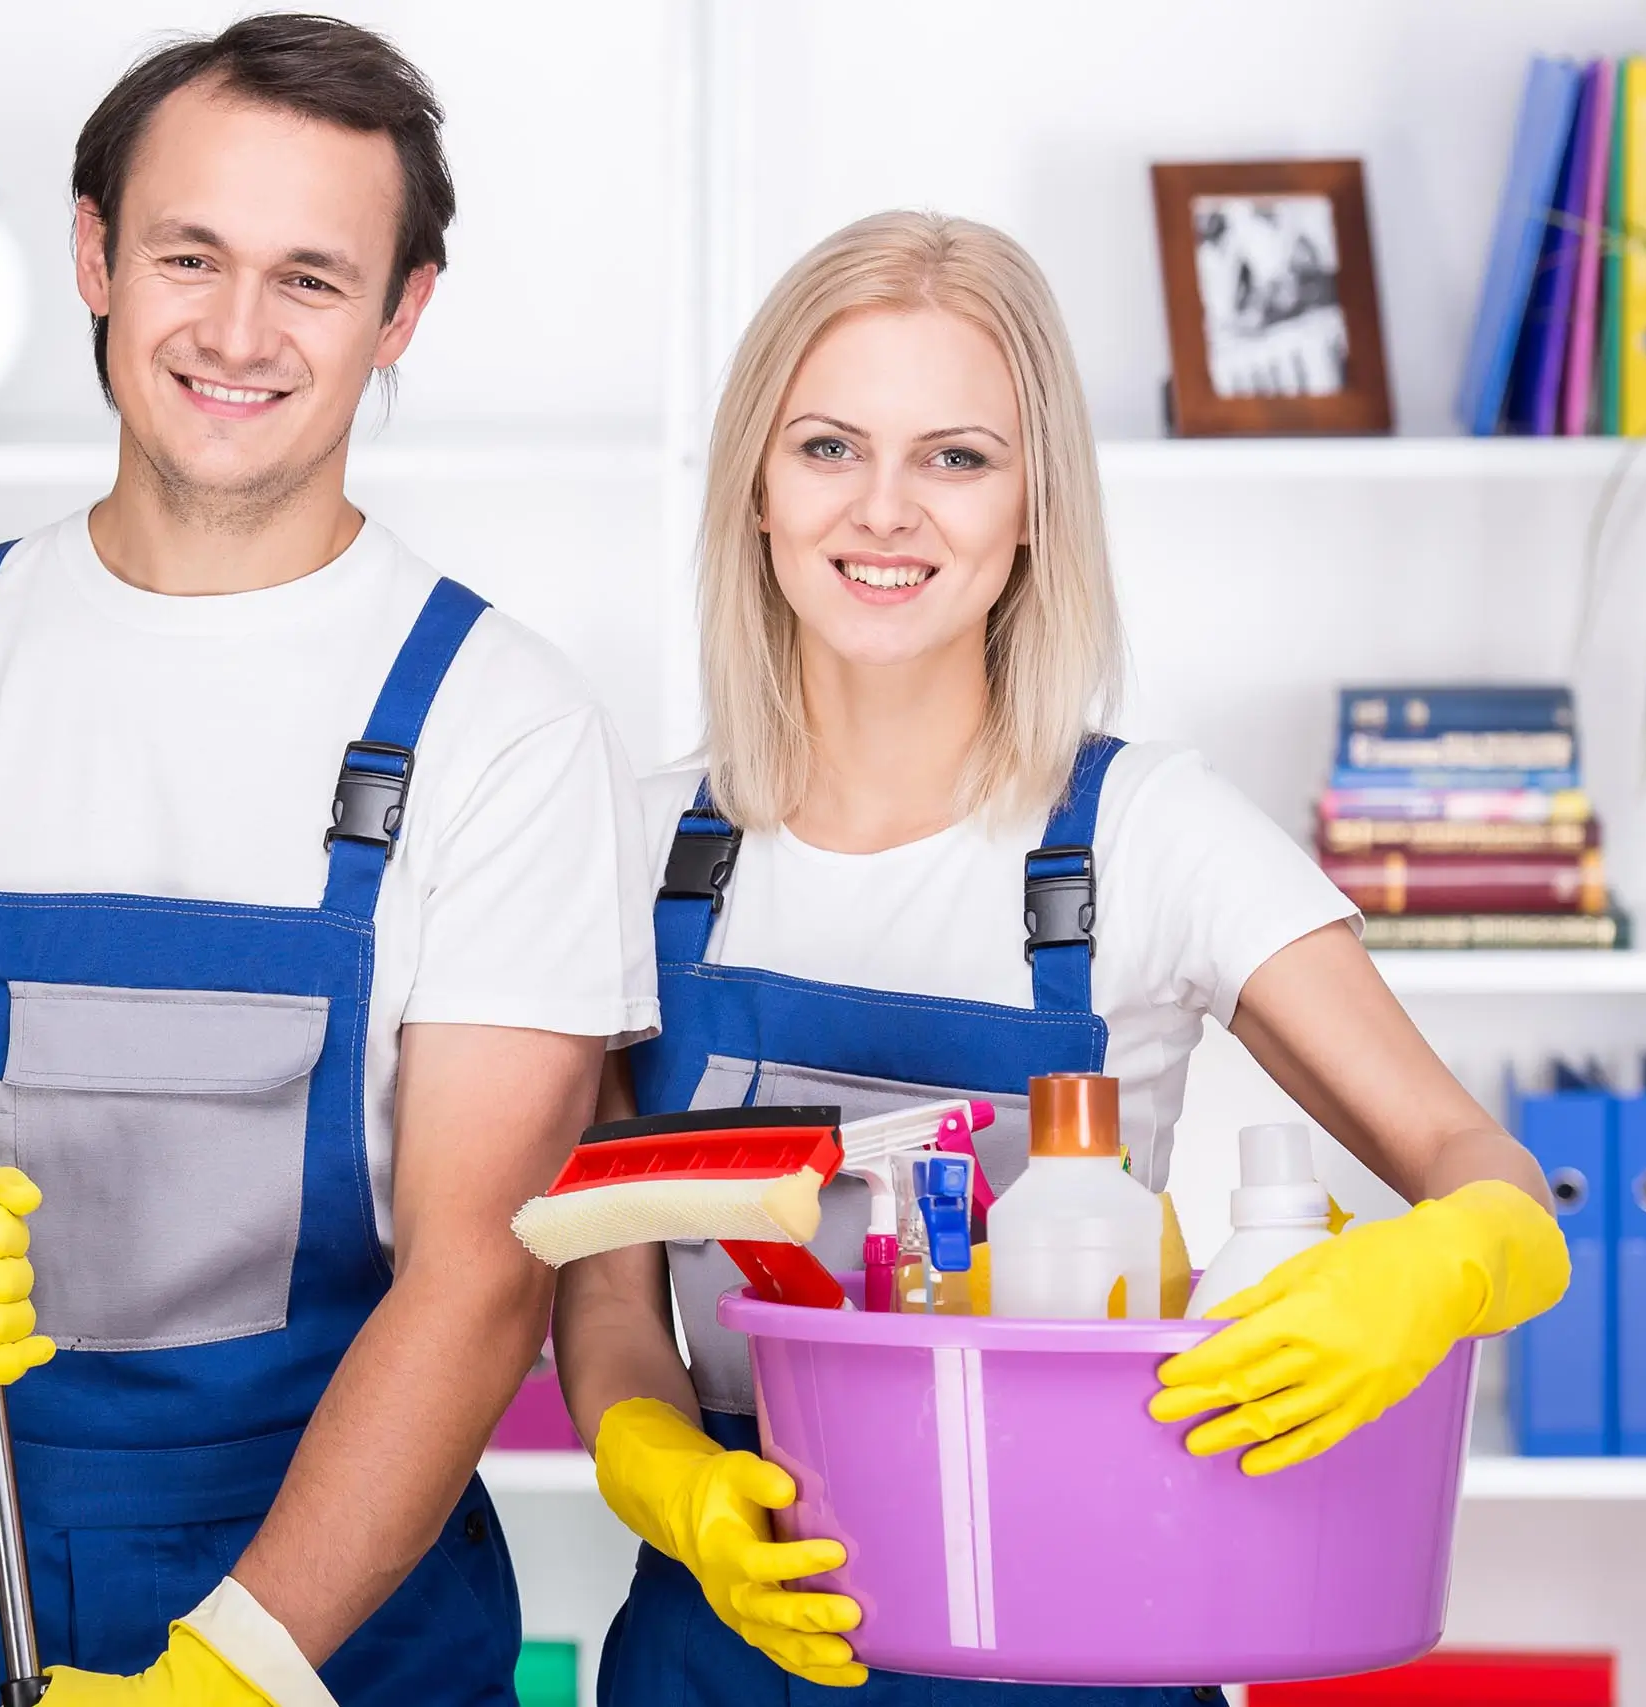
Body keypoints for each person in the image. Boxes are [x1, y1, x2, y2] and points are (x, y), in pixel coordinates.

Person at [0, 17, 654, 1706]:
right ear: (93, 255)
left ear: (402, 310)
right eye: (187, 255)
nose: (234, 331)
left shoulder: (495, 726)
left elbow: (482, 1270)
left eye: (310, 277)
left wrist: (242, 1662)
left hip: (324, 1594)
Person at [551, 211, 1569, 1704]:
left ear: (1033, 506)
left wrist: (1443, 1263)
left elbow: (1481, 1167)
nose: (885, 510)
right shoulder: (636, 850)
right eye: (829, 447)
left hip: (1085, 1628)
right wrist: (666, 1479)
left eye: (956, 457)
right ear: (756, 490)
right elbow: (608, 1294)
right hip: (735, 1627)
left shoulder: (1150, 834)